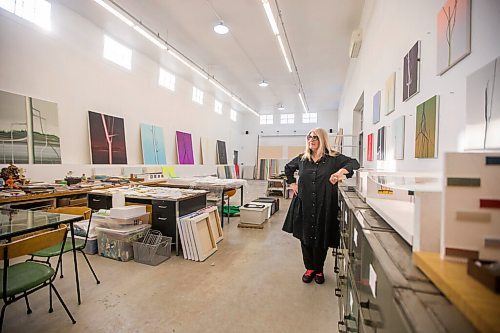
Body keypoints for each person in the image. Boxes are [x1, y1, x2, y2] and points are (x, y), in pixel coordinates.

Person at [283, 128, 360, 284]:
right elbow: (288, 168)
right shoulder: (302, 159)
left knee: (321, 236)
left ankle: (319, 269)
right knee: (305, 237)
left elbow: (354, 163)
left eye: (315, 137)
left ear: (322, 139)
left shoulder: (333, 158)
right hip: (304, 204)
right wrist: (292, 183)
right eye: (309, 137)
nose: (311, 140)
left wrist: (340, 172)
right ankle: (309, 268)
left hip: (324, 204)